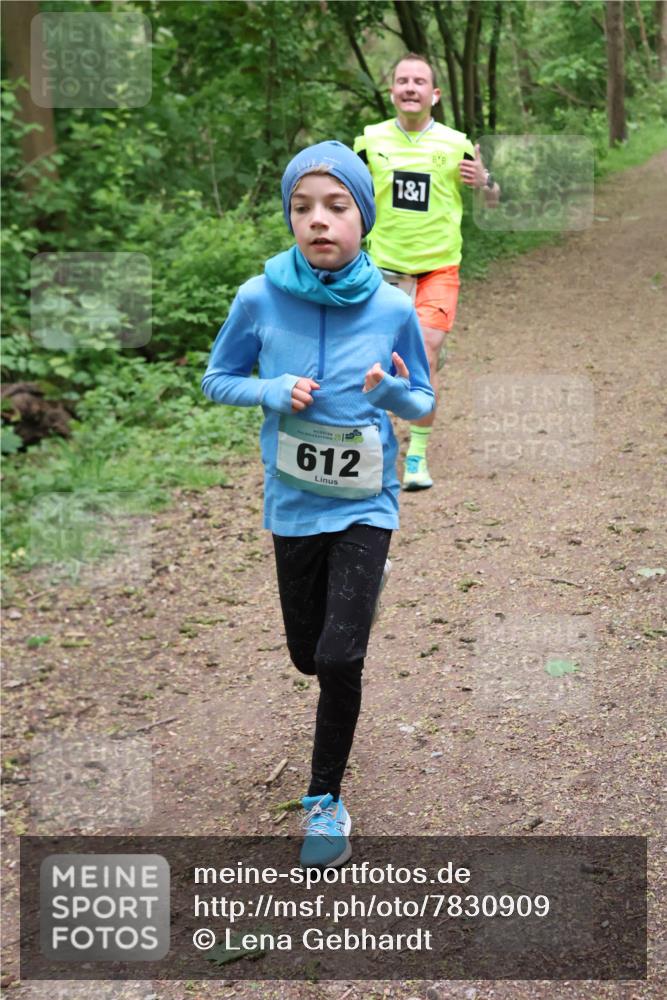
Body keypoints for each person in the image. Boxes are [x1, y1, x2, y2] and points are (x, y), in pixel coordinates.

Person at [201, 141, 434, 868]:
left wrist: (389, 391)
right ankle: (345, 604)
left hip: (368, 501)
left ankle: (325, 800)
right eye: (302, 208)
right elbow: (217, 378)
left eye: (336, 207)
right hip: (294, 503)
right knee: (307, 653)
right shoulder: (257, 298)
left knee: (340, 653)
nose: (318, 221)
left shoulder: (394, 305)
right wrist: (269, 390)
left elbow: (423, 403)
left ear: (362, 218)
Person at [354, 53, 500, 490]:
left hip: (438, 268)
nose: (411, 87)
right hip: (383, 270)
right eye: (403, 80)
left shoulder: (456, 143)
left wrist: (486, 184)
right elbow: (350, 196)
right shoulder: (369, 140)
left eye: (420, 81)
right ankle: (375, 445)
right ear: (393, 91)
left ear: (434, 94)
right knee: (373, 363)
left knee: (425, 356)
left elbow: (492, 199)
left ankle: (416, 456)